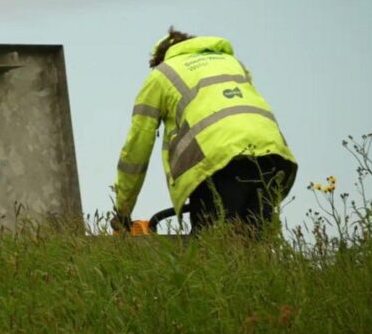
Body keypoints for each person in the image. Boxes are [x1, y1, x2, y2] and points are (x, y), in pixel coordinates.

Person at [112, 27, 297, 237]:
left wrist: (122, 212)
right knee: (256, 245)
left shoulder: (162, 74)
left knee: (214, 247)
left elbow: (137, 148)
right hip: (270, 156)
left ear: (159, 59)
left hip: (217, 163)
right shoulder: (232, 64)